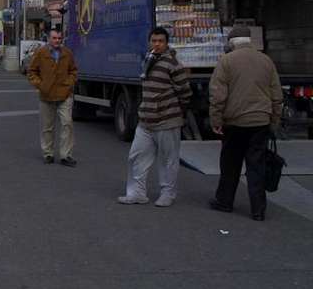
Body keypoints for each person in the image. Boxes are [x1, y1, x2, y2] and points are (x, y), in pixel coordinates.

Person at [208, 25, 282, 221]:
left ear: (232, 43)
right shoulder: (266, 61)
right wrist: (274, 121)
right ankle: (258, 210)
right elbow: (276, 95)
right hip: (260, 122)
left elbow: (218, 95)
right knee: (256, 166)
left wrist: (216, 120)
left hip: (235, 122)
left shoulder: (226, 61)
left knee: (230, 164)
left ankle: (224, 202)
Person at [118, 27, 192, 207]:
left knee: (168, 160)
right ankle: (136, 193)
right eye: (154, 41)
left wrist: (175, 109)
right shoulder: (148, 60)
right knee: (136, 157)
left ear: (166, 43)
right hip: (145, 120)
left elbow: (185, 91)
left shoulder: (173, 64)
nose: (157, 44)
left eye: (160, 41)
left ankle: (167, 194)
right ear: (149, 42)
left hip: (167, 120)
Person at [27, 28, 78, 166]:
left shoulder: (67, 53)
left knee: (67, 123)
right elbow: (31, 71)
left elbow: (73, 71)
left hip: (64, 94)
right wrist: (41, 85)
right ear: (49, 39)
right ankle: (48, 153)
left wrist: (69, 83)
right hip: (46, 95)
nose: (57, 41)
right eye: (54, 38)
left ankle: (66, 155)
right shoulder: (41, 53)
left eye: (59, 38)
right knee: (47, 127)